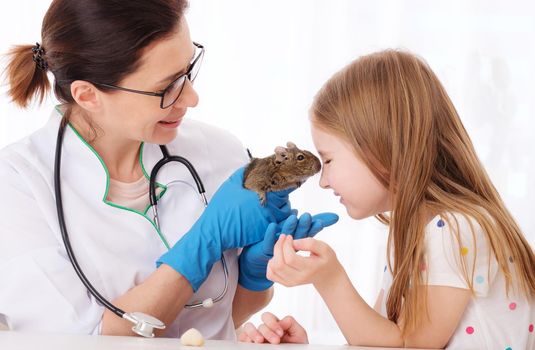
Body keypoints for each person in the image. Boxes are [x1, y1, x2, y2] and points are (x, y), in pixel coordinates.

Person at [0, 0, 338, 339]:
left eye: (188, 70)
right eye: (166, 87)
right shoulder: (18, 185)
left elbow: (221, 318)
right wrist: (205, 240)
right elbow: (80, 341)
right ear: (87, 95)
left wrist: (255, 274)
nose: (191, 98)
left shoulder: (219, 151)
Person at [238, 50, 535, 348]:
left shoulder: (456, 230)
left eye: (328, 160)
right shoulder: (414, 234)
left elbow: (409, 346)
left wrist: (330, 280)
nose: (324, 181)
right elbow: (383, 342)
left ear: (383, 149)